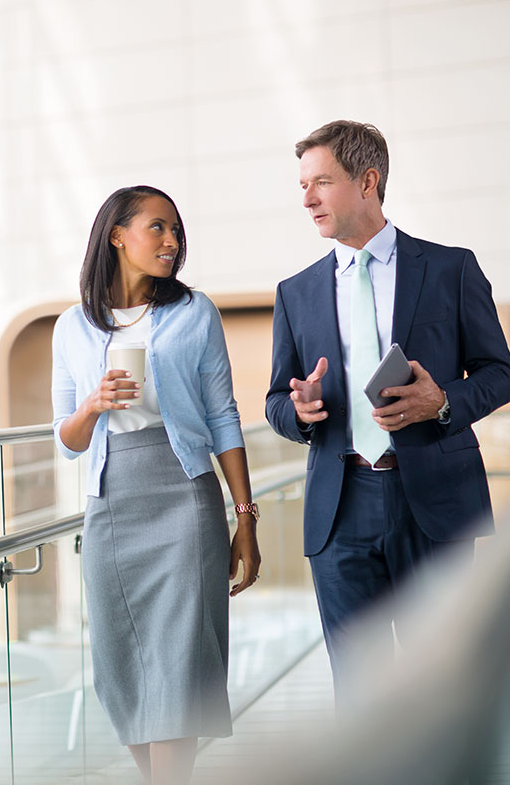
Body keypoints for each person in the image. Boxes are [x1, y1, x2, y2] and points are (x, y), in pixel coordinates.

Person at [266, 120, 510, 696]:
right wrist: (298, 413)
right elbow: (277, 400)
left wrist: (443, 400)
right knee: (360, 693)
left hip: (435, 501)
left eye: (321, 182)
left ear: (368, 180)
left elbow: (501, 373)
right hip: (339, 508)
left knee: (448, 690)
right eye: (303, 185)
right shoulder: (295, 292)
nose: (307, 199)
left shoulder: (450, 268)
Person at [51, 185, 261, 784]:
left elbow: (223, 417)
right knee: (121, 671)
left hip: (185, 497)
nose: (172, 242)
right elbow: (64, 439)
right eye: (158, 228)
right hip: (111, 501)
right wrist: (92, 406)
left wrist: (244, 520)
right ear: (117, 234)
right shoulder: (71, 327)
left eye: (176, 232)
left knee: (179, 669)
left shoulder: (195, 313)